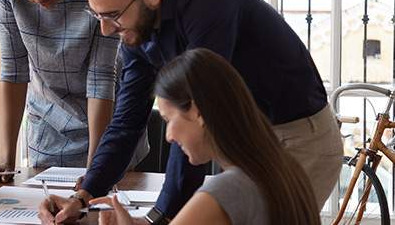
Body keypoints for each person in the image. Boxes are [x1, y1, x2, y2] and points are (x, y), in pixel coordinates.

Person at [40, 0, 342, 222]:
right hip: (247, 142)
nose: (106, 29)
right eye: (97, 15)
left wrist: (160, 217)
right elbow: (126, 122)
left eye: (112, 15)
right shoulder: (136, 30)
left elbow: (201, 114)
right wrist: (84, 195)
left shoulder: (211, 2)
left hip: (299, 138)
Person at [0, 0, 148, 185]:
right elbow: (13, 72)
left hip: (109, 133)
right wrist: (6, 161)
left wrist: (95, 170)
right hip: (48, 135)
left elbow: (100, 79)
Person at [91, 48, 321, 225]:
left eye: (169, 119)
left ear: (197, 110)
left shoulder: (226, 190)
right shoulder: (286, 169)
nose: (169, 136)